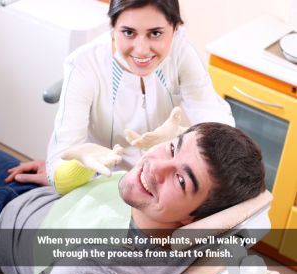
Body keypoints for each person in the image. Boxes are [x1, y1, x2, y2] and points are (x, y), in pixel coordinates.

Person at [0, 123, 265, 274]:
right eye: (173, 147)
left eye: (181, 180)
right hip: (44, 194)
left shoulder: (94, 268)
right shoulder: (202, 230)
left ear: (196, 219)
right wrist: (60, 179)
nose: (156, 165)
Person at [46, 0, 235, 195]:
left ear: (175, 28)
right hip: (106, 184)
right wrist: (80, 167)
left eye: (155, 33)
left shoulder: (180, 51)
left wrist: (181, 134)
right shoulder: (85, 65)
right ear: (112, 27)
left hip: (163, 183)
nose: (141, 50)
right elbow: (57, 174)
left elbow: (223, 133)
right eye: (128, 32)